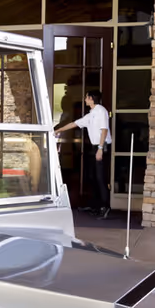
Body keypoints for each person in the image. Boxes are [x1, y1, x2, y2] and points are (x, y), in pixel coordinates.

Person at [54, 89, 113, 219]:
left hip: (101, 147)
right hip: (94, 147)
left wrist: (100, 148)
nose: (85, 99)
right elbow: (75, 123)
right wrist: (58, 130)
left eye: (86, 97)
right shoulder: (91, 114)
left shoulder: (101, 111)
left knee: (100, 178)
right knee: (92, 177)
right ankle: (96, 206)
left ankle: (105, 207)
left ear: (91, 98)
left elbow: (104, 130)